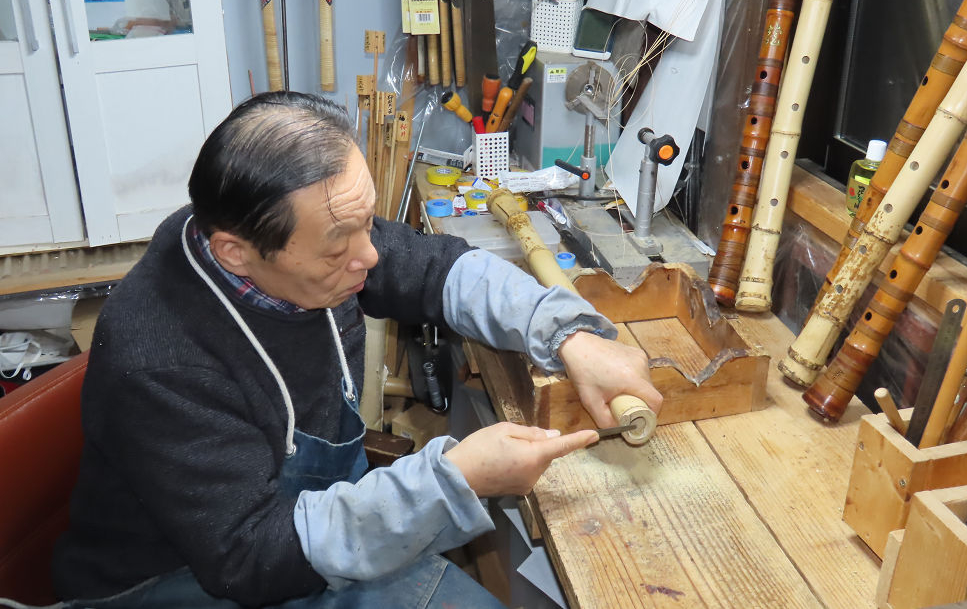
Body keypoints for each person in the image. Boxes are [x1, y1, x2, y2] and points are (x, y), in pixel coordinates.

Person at [49, 92, 662, 608]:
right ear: (236, 252)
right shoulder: (159, 360)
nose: (369, 256)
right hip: (191, 577)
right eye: (338, 246)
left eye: (366, 223)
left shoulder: (299, 228)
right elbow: (248, 557)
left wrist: (566, 333)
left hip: (296, 529)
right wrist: (453, 481)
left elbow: (434, 269)